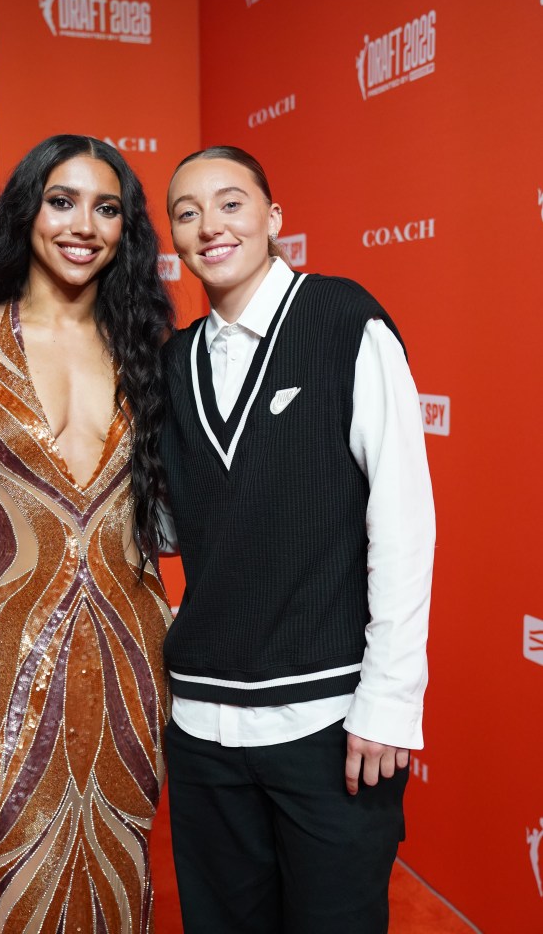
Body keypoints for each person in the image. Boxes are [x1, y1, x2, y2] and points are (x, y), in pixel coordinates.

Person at [159, 146, 435, 933]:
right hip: (203, 724)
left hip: (328, 722)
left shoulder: (343, 318)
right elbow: (184, 524)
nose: (210, 225)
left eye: (231, 203)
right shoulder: (173, 362)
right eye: (187, 212)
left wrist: (388, 699)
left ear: (273, 218)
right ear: (173, 237)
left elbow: (403, 516)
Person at [0, 135, 174, 933]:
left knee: (121, 876)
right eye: (63, 201)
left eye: (107, 208)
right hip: (8, 655)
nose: (82, 224)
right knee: (19, 875)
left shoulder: (148, 352)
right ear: (27, 209)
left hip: (134, 659)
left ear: (126, 230)